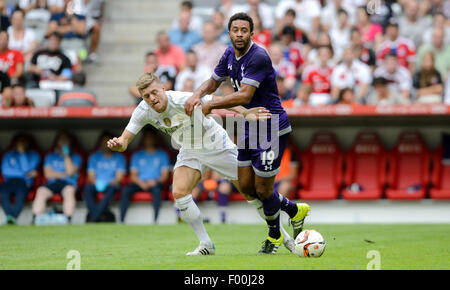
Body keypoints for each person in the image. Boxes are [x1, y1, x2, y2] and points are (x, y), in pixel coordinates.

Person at [107, 72, 295, 255]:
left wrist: (245, 112)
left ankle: (285, 239)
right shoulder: (143, 111)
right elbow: (124, 141)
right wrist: (118, 144)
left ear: (163, 89)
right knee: (179, 192)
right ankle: (206, 244)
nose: (152, 98)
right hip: (190, 150)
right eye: (146, 96)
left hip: (216, 145)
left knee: (252, 193)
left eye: (155, 92)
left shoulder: (182, 99)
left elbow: (216, 100)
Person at [184, 13, 310, 254]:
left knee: (263, 189)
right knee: (246, 186)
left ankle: (274, 237)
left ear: (251, 33)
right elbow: (212, 81)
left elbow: (245, 96)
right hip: (249, 125)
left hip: (270, 126)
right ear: (229, 33)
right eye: (235, 30)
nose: (239, 34)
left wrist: (212, 104)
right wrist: (196, 95)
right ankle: (295, 210)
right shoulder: (229, 54)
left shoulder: (258, 57)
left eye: (244, 30)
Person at [120, 130, 170, 224]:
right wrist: (141, 183)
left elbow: (165, 176)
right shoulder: (137, 155)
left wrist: (154, 181)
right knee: (126, 190)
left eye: (151, 138)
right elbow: (133, 176)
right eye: (147, 138)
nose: (149, 140)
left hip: (155, 183)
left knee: (157, 191)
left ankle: (155, 220)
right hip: (140, 183)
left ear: (155, 139)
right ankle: (122, 220)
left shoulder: (162, 155)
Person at [32, 131, 81, 224]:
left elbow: (70, 171)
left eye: (66, 140)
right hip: (52, 183)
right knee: (41, 191)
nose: (63, 142)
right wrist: (64, 174)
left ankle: (68, 219)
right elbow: (48, 174)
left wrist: (66, 155)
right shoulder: (50, 156)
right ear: (57, 142)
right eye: (61, 140)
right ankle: (36, 218)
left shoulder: (76, 156)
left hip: (68, 183)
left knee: (69, 191)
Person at [84, 131, 126, 222]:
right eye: (104, 141)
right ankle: (97, 215)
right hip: (96, 183)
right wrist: (97, 183)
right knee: (87, 188)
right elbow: (91, 177)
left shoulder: (119, 157)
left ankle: (94, 217)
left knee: (112, 188)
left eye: (108, 141)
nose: (106, 144)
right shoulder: (94, 157)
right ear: (100, 143)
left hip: (112, 184)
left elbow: (119, 178)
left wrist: (107, 183)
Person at [1, 134, 40, 224]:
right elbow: (5, 171)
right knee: (3, 192)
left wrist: (22, 153)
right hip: (10, 181)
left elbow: (27, 168)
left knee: (21, 194)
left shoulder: (34, 155)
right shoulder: (8, 155)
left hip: (24, 182)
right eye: (20, 141)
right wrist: (25, 174)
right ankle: (9, 216)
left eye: (24, 141)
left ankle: (13, 217)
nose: (21, 143)